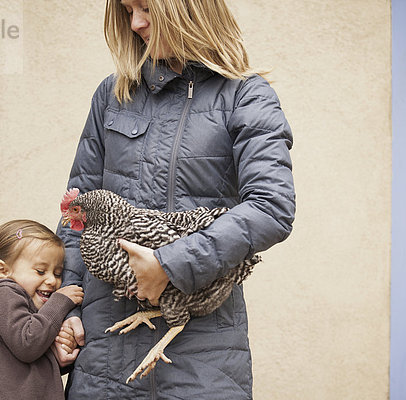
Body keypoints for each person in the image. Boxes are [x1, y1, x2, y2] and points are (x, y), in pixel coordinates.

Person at [54, 0, 295, 398]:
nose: (135, 23)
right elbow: (79, 218)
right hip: (103, 360)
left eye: (146, 8)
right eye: (127, 10)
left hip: (202, 363)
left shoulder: (246, 96)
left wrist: (171, 265)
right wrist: (69, 307)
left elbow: (271, 207)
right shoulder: (113, 95)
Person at [0, 219, 84, 400]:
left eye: (57, 273)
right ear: (2, 270)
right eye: (40, 271)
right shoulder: (3, 293)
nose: (52, 281)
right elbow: (28, 343)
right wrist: (61, 300)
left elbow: (28, 367)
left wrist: (58, 355)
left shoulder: (29, 315)